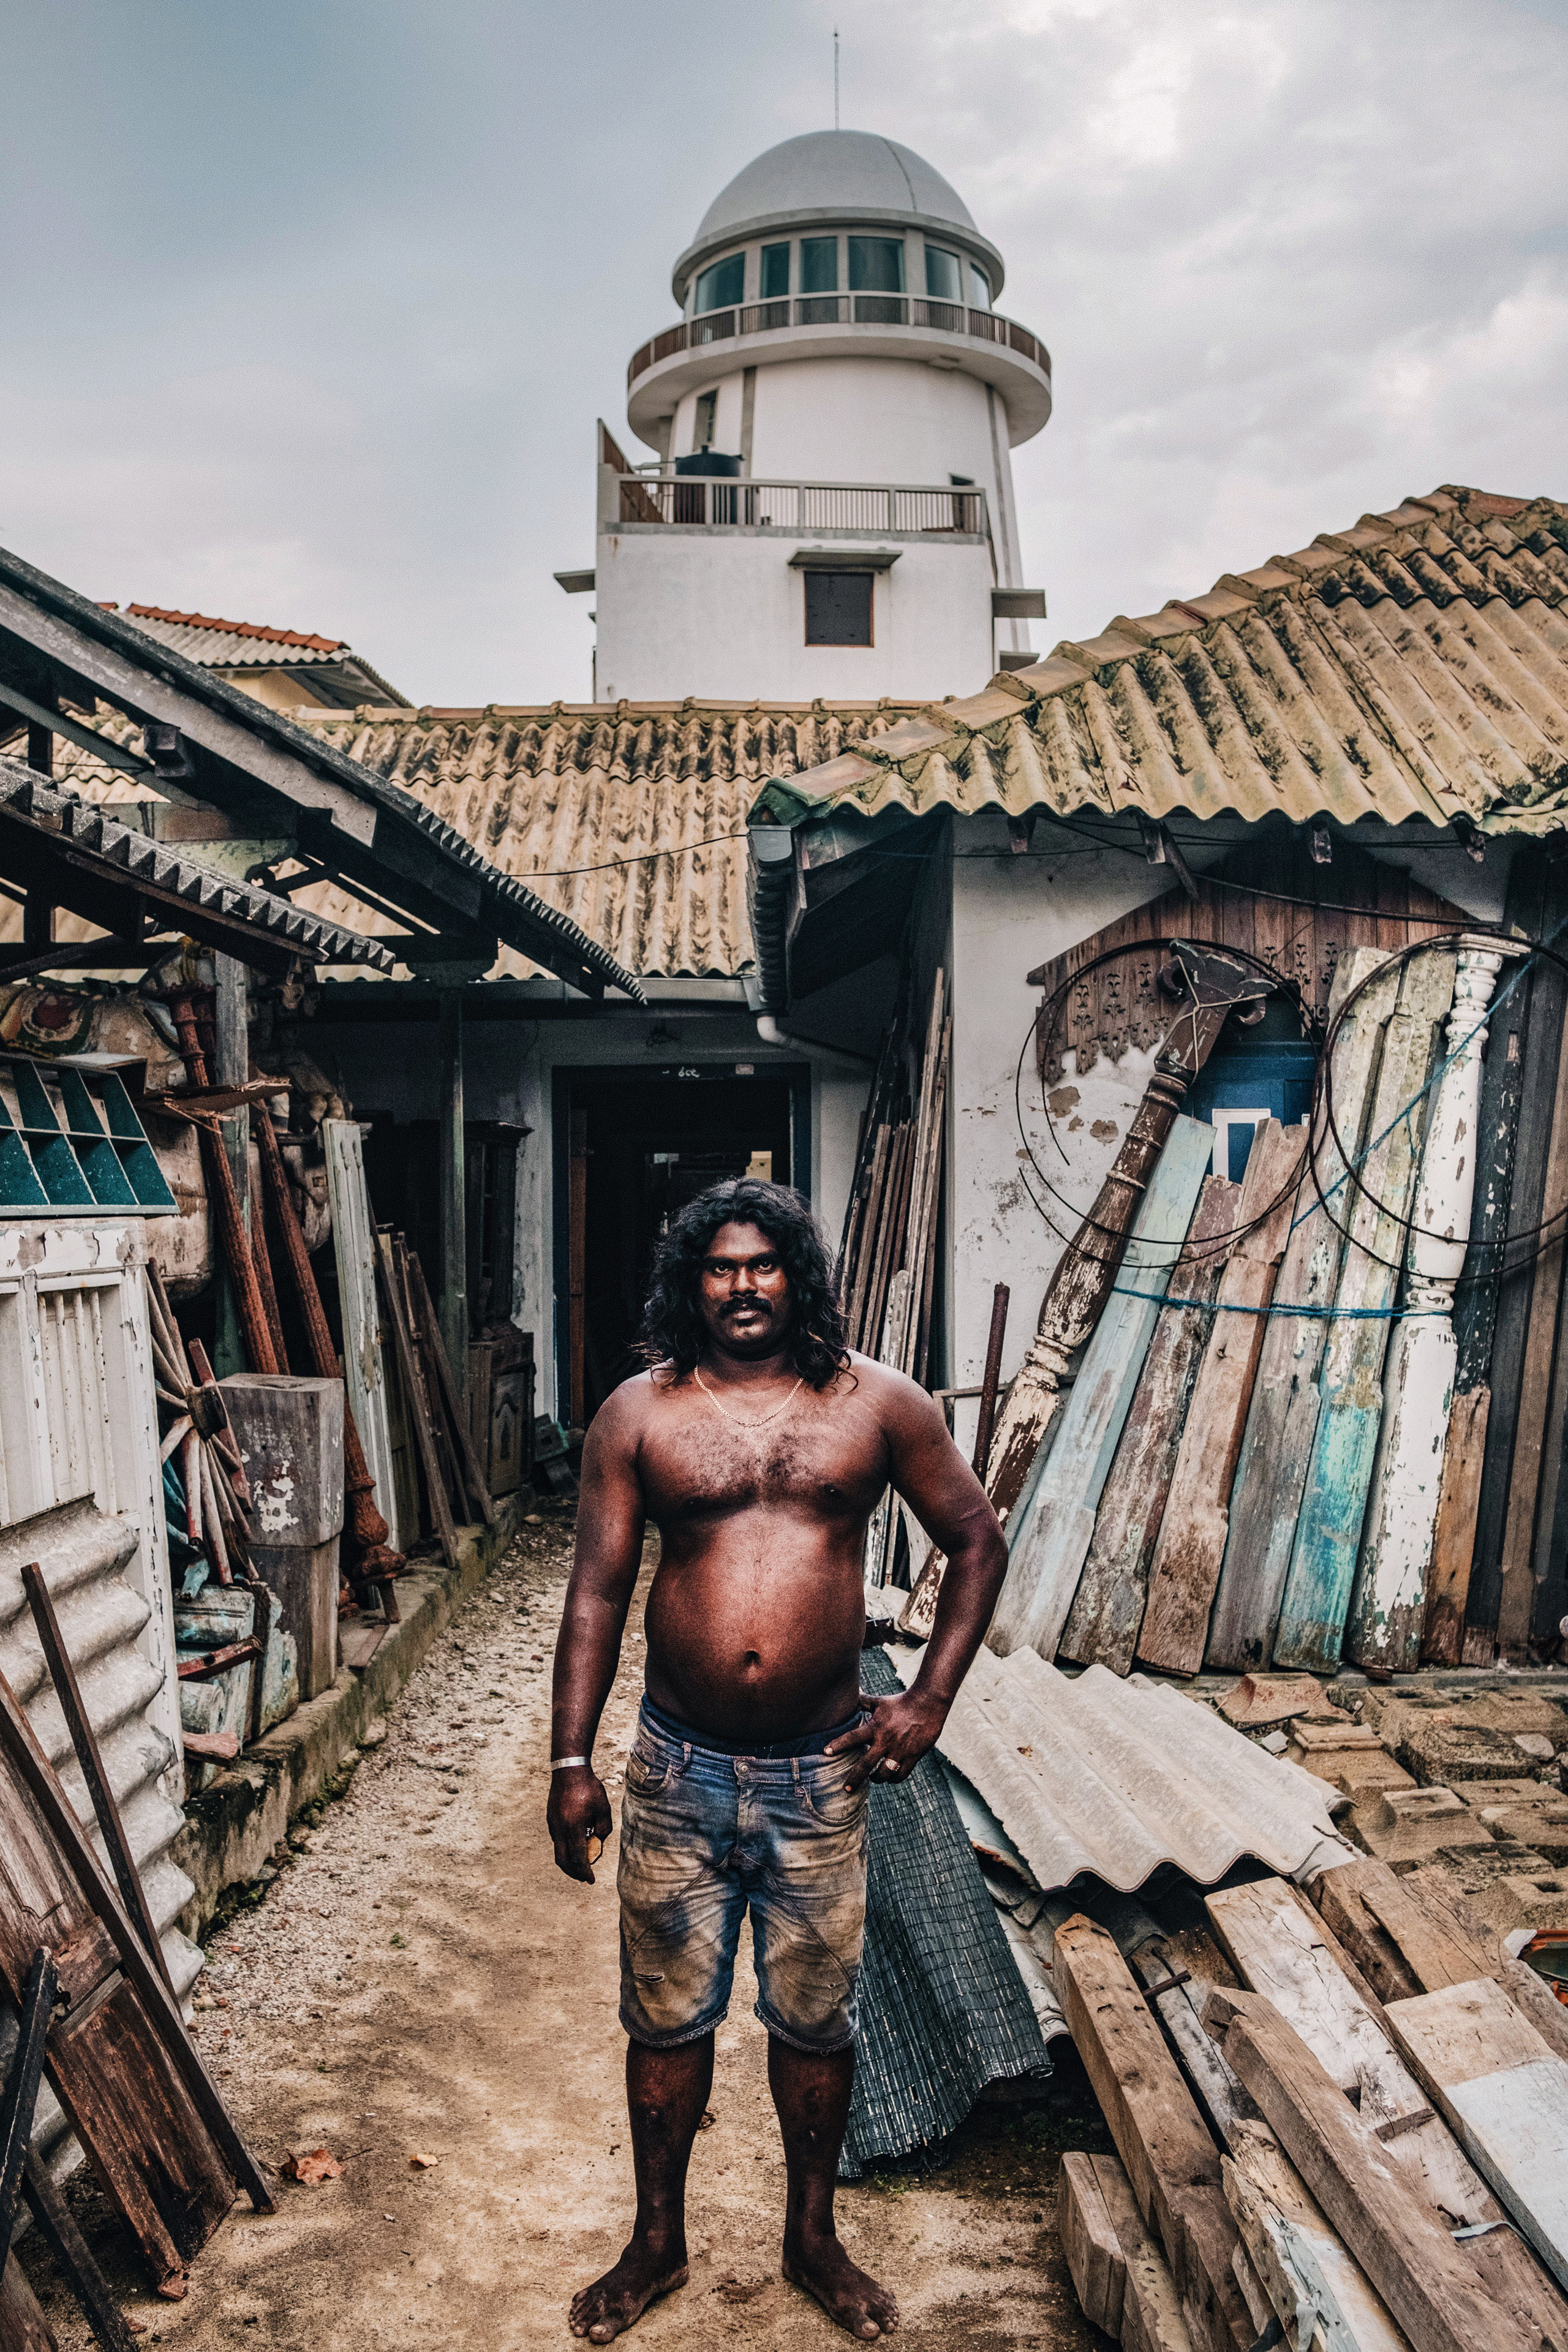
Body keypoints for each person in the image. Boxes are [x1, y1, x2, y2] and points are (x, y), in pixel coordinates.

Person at [547, 1177, 1008, 2343]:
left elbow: (974, 1540)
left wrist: (931, 1699)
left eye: (763, 1264)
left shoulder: (875, 1404)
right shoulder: (639, 1415)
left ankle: (812, 2239)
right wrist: (569, 1759)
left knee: (814, 2025)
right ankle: (657, 2243)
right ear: (690, 1283)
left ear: (797, 1275)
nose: (743, 1284)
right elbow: (597, 1592)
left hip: (822, 1777)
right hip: (674, 1774)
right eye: (720, 1266)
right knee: (665, 2025)